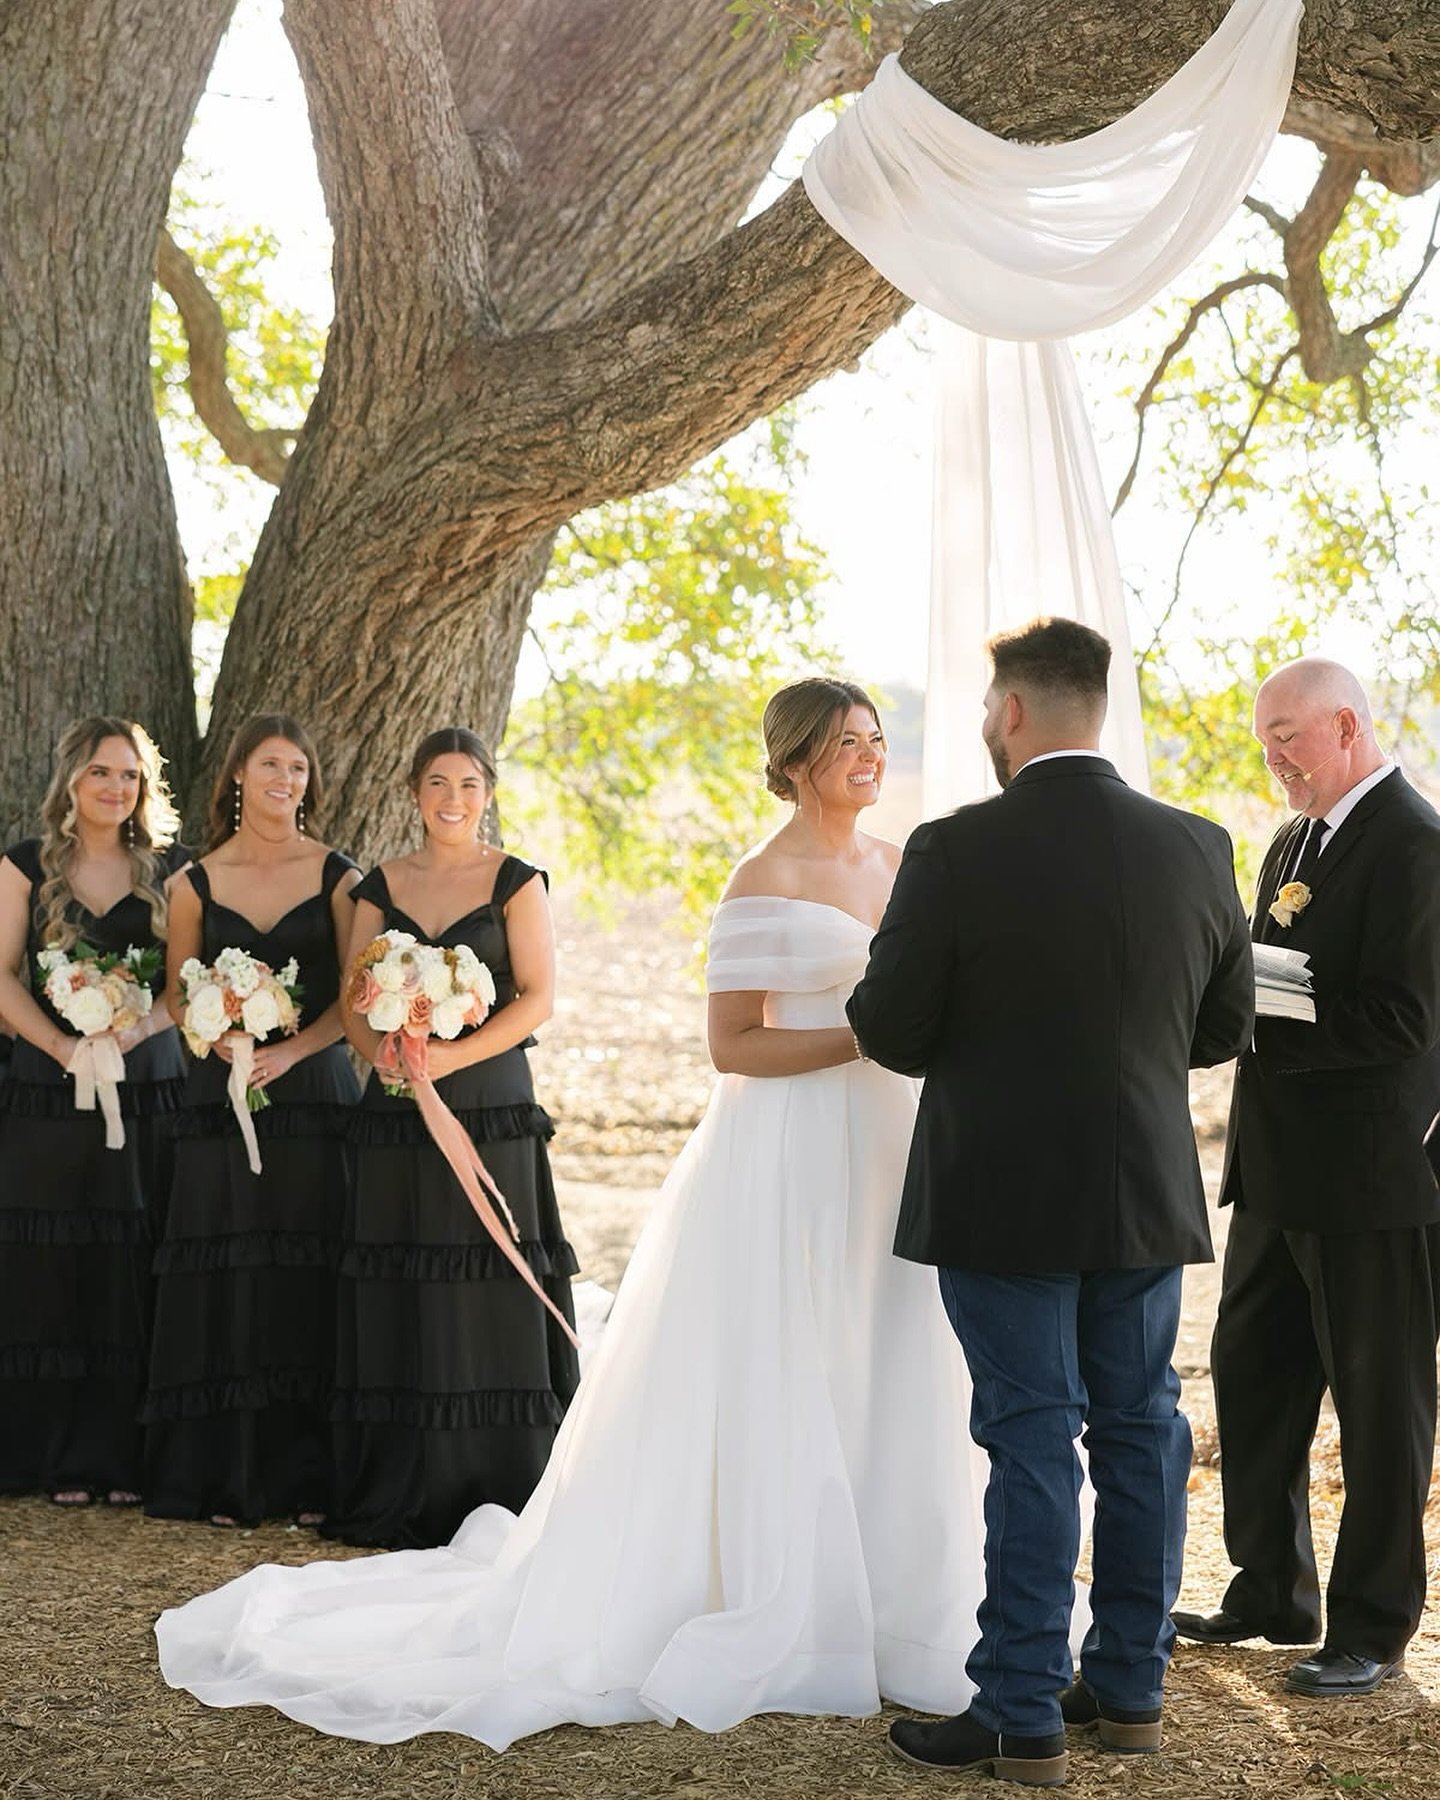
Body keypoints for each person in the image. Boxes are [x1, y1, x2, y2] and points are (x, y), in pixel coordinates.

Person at [155, 679, 993, 1745]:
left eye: (877, 741)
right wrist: (864, 1040)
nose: (869, 758)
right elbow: (734, 1046)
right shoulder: (762, 877)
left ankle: (898, 1585)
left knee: (890, 1342)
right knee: (794, 1353)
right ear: (793, 760)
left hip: (894, 1141)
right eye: (845, 743)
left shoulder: (904, 863)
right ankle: (783, 1584)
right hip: (791, 1147)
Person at [849, 618, 1253, 1787]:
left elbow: (891, 1027)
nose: (983, 724)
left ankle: (1021, 1710)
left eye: (984, 708)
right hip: (1140, 1194)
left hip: (1003, 1195)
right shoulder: (1197, 844)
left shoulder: (955, 848)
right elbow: (1222, 1029)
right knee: (1139, 1432)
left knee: (1033, 1439)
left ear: (1011, 712)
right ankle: (1129, 1691)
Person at [1172, 657, 1440, 1698]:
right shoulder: (1295, 836)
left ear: (1346, 725)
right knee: (1253, 1377)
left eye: (1287, 734)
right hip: (1277, 1171)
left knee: (1381, 1407)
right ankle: (1271, 1590)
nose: (1271, 755)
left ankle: (1373, 1625)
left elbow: (1410, 1022)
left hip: (1373, 1180)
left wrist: (1269, 1025)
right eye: (1262, 738)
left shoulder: (1416, 846)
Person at [323, 726, 580, 1548]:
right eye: (438, 783)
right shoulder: (380, 887)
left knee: (485, 1268)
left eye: (469, 785)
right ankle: (404, 1477)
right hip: (397, 1110)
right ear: (414, 794)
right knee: (406, 1269)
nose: (453, 800)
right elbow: (353, 1001)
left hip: (491, 1101)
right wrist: (388, 1063)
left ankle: (499, 1475)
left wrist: (455, 1054)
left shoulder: (515, 881)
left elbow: (536, 998)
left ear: (489, 794)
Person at [142, 715, 361, 1527]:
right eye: (271, 764)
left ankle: (311, 1479)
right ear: (237, 774)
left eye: (299, 768)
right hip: (217, 1102)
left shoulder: (339, 876)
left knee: (309, 1273)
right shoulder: (192, 882)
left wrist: (293, 1049)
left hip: (314, 1101)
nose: (287, 779)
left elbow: (355, 998)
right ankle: (225, 1476)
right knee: (227, 1275)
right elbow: (177, 991)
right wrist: (220, 1029)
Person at [0, 716, 188, 1507]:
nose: (117, 788)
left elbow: (184, 988)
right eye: (102, 773)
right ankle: (43, 1449)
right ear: (71, 780)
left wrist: (130, 1031)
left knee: (130, 1258)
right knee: (49, 1262)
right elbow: (3, 978)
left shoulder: (173, 870)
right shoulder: (23, 866)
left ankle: (121, 1456)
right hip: (46, 1090)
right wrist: (65, 1045)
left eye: (131, 776)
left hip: (146, 1089)